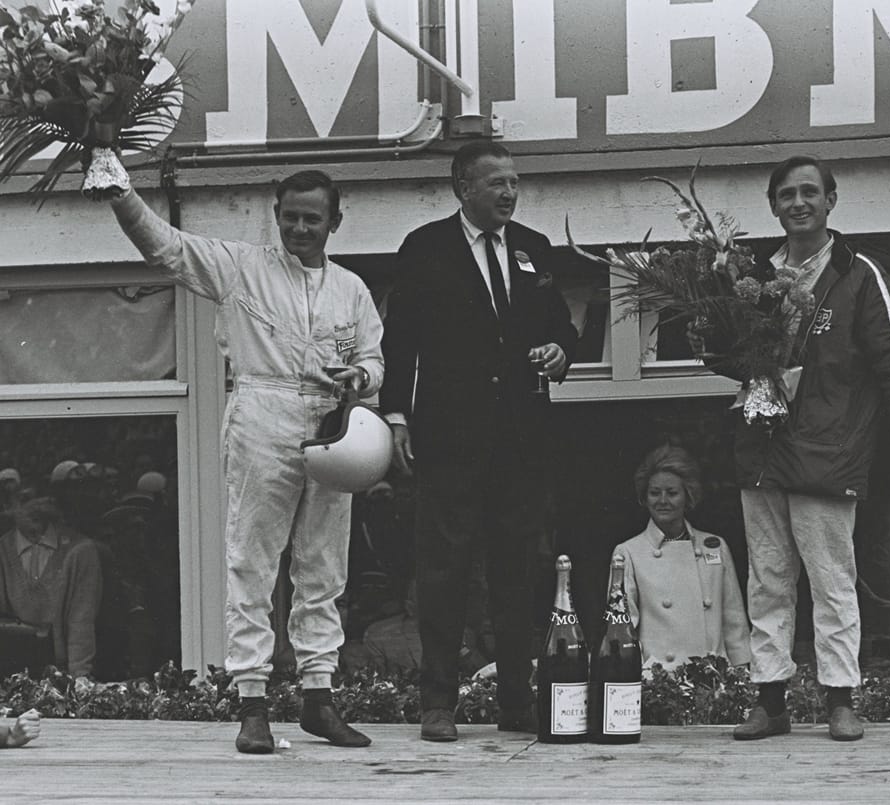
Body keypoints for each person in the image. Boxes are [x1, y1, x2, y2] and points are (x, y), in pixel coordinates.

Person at [104, 168, 384, 753]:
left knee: (324, 566)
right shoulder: (241, 266)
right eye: (290, 216)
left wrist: (360, 374)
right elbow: (165, 246)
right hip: (264, 408)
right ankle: (252, 704)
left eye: (313, 218)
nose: (300, 228)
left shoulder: (352, 289)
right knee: (252, 560)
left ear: (335, 220)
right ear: (275, 214)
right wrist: (118, 191)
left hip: (331, 420)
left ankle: (318, 699)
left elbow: (373, 357)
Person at [694, 155, 890, 742]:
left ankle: (840, 700)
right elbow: (724, 357)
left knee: (832, 578)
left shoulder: (858, 275)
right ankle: (770, 699)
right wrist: (711, 330)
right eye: (786, 195)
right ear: (772, 206)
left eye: (809, 192)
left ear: (831, 200)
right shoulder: (751, 272)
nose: (798, 203)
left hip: (829, 450)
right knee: (768, 579)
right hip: (762, 447)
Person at [380, 140, 578, 742]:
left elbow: (562, 328)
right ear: (463, 187)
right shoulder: (425, 248)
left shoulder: (533, 250)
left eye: (515, 182)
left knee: (520, 570)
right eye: (497, 183)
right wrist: (395, 416)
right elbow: (400, 342)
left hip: (520, 440)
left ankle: (516, 699)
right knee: (444, 571)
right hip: (449, 439)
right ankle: (438, 703)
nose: (510, 193)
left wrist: (560, 351)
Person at [611, 445, 750, 672]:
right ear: (644, 498)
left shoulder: (714, 545)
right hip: (661, 683)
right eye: (655, 493)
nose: (663, 500)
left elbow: (734, 620)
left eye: (672, 493)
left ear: (688, 495)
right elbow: (624, 629)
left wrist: (742, 673)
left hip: (712, 680)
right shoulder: (628, 552)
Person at [0, 497, 102, 678]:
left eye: (39, 497)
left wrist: (80, 677)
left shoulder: (79, 550)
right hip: (12, 666)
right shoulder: (3, 549)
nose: (34, 506)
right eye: (24, 499)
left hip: (60, 667)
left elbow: (82, 618)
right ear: (10, 506)